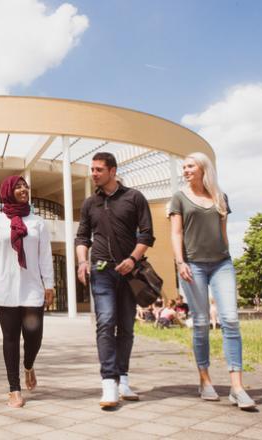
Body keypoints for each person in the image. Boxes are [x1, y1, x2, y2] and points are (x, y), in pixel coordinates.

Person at [168, 151, 255, 409]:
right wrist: (179, 262)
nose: (185, 170)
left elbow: (224, 234)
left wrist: (228, 259)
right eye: (183, 167)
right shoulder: (179, 198)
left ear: (203, 168)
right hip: (192, 265)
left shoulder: (220, 197)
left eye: (190, 166)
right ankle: (205, 379)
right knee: (202, 322)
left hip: (222, 264)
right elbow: (176, 233)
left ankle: (237, 388)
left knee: (230, 319)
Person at [75, 152, 155, 408]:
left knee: (127, 327)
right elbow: (82, 237)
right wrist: (82, 262)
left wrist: (132, 259)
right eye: (92, 169)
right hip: (101, 271)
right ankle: (108, 382)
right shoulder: (90, 203)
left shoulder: (134, 198)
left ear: (112, 171)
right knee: (106, 322)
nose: (94, 173)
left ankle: (123, 379)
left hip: (130, 273)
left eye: (99, 169)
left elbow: (147, 235)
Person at [0, 175, 54, 408]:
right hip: (4, 287)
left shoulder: (37, 222)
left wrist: (49, 284)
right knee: (10, 338)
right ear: (8, 191)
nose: (23, 189)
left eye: (25, 186)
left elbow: (44, 255)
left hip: (31, 288)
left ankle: (29, 365)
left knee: (34, 336)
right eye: (18, 186)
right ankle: (14, 389)